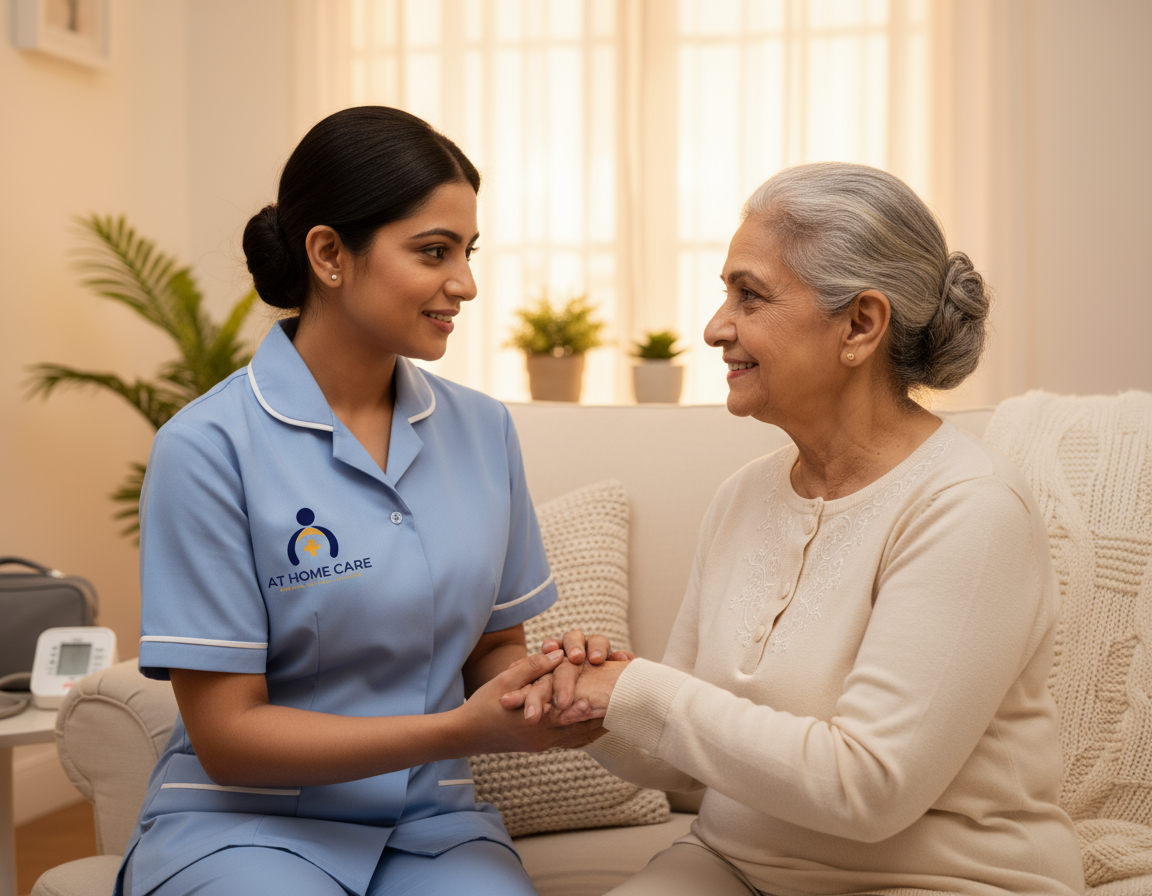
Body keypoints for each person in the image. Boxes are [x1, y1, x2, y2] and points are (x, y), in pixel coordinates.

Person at [543, 163, 1087, 896]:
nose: (715, 328)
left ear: (860, 325)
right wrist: (592, 705)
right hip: (731, 865)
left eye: (749, 295)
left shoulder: (970, 509)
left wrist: (639, 691)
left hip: (942, 880)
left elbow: (870, 788)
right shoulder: (743, 496)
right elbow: (684, 758)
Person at [114, 106, 608, 896]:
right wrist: (457, 730)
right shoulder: (206, 448)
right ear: (328, 255)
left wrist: (546, 683)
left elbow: (493, 648)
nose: (465, 283)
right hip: (246, 825)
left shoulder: (483, 430)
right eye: (434, 251)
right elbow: (229, 738)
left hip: (431, 826)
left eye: (469, 251)